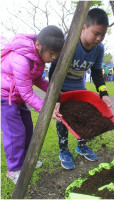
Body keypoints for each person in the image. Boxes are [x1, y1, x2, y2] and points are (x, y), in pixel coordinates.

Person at [1, 25, 65, 184]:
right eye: (51, 54)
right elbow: (27, 93)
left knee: (28, 128)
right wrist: (47, 110)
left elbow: (37, 79)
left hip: (16, 97)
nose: (53, 58)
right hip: (4, 98)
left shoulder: (37, 59)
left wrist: (54, 91)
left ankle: (26, 160)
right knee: (15, 133)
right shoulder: (21, 59)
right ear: (38, 45)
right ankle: (14, 169)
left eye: (56, 55)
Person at [49, 8, 111, 170]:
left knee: (84, 117)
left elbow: (97, 73)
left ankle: (82, 146)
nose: (99, 38)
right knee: (63, 122)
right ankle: (63, 150)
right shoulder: (68, 43)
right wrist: (55, 98)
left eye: (103, 34)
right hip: (61, 89)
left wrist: (103, 93)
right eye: (96, 33)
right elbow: (52, 72)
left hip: (79, 89)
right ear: (83, 28)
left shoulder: (99, 49)